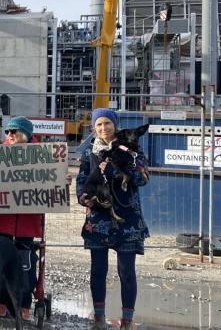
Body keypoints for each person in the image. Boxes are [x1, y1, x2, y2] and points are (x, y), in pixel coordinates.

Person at [77, 109, 150, 330]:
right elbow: (82, 179)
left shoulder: (131, 149)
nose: (103, 128)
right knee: (98, 270)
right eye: (99, 125)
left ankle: (126, 320)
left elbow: (143, 178)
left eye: (107, 123)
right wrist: (83, 198)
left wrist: (116, 172)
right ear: (94, 128)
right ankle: (99, 318)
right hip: (98, 219)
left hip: (127, 219)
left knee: (126, 271)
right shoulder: (89, 151)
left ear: (115, 125)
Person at [0, 116, 50, 321]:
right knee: (0, 263)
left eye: (14, 132)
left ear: (26, 134)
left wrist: (61, 177)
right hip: (1, 218)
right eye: (8, 132)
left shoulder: (42, 154)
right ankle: (2, 301)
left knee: (24, 264)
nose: (10, 135)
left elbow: (51, 180)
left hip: (26, 222)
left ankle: (23, 302)